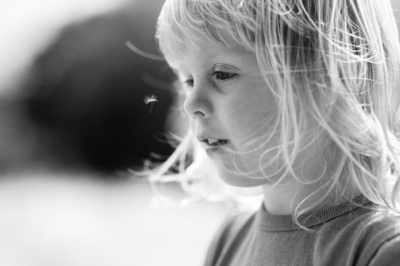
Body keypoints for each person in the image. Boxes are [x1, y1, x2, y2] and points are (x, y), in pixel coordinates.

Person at [149, 0, 400, 265]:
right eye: (188, 80)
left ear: (327, 76)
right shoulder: (230, 240)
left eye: (222, 74)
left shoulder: (379, 250)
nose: (191, 104)